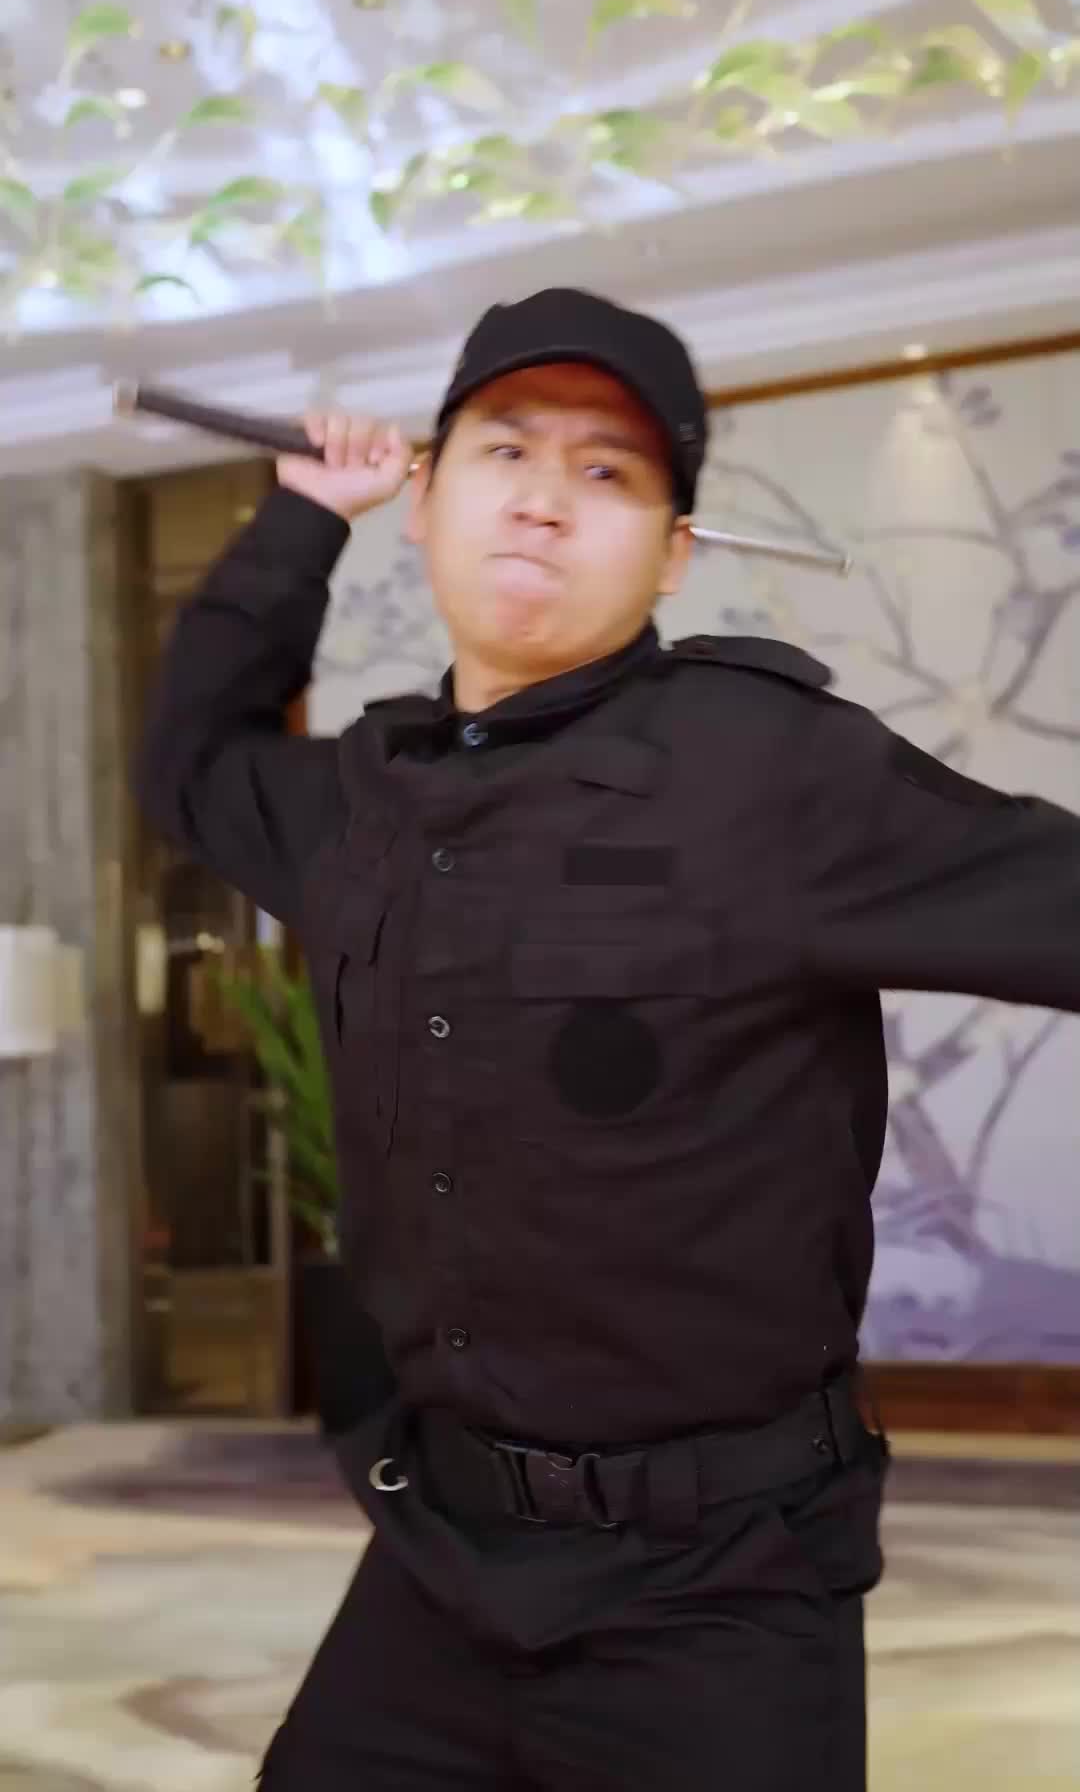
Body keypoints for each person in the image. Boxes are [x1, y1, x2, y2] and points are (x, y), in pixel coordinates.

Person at [136, 287, 1080, 1792]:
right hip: (439, 1553)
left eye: (609, 472)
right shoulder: (364, 801)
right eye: (506, 451)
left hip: (719, 1584)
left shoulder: (770, 769)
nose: (545, 500)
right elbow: (189, 764)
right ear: (426, 498)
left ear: (674, 553)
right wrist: (303, 517)